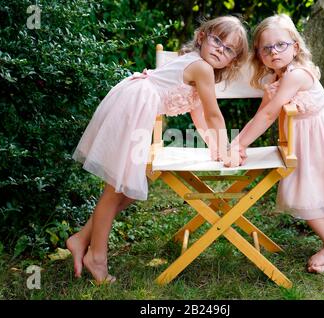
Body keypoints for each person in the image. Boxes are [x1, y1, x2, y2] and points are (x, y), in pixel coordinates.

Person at [66, 16, 249, 283]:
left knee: (126, 192)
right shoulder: (201, 68)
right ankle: (96, 257)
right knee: (115, 190)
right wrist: (229, 151)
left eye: (229, 49)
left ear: (233, 60)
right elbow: (213, 114)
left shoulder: (198, 67)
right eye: (217, 40)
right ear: (202, 37)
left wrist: (216, 149)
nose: (221, 49)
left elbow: (198, 115)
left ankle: (81, 238)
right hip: (134, 109)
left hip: (136, 105)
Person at [229, 14, 324, 273]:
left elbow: (269, 115)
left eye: (280, 45)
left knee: (305, 191)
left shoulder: (296, 75)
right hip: (308, 133)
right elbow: (264, 112)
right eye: (266, 48)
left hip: (318, 134)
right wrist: (241, 142)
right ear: (259, 53)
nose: (274, 52)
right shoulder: (276, 77)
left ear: (295, 46)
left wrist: (238, 145)